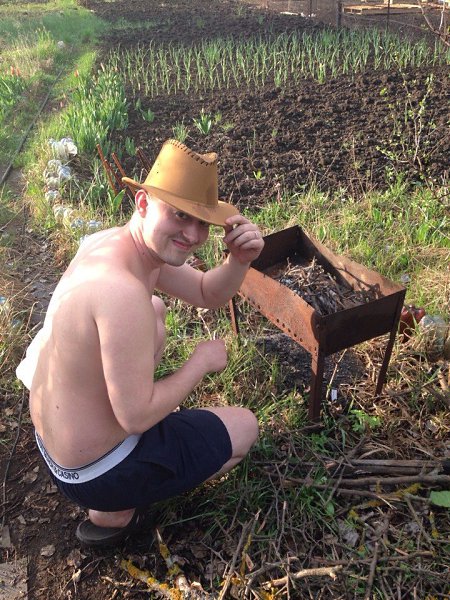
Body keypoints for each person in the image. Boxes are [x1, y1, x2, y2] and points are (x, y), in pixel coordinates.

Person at [16, 139, 264, 547]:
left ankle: (118, 481)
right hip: (96, 473)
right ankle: (116, 510)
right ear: (143, 203)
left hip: (56, 446)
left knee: (156, 312)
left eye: (202, 222)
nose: (193, 234)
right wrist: (200, 363)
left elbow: (206, 292)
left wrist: (238, 261)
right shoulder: (121, 293)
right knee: (245, 427)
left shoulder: (112, 246)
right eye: (180, 215)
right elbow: (135, 417)